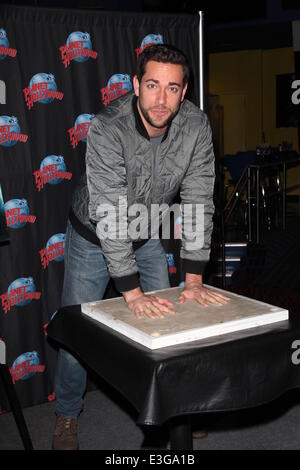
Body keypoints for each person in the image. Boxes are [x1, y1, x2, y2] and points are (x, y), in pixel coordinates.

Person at [52, 44, 229, 450]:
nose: (161, 99)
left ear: (184, 92)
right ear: (136, 84)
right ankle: (65, 414)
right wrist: (131, 292)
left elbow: (199, 200)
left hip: (147, 230)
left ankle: (181, 408)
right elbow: (111, 215)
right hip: (94, 235)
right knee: (78, 334)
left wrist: (194, 279)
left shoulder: (196, 127)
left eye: (172, 88)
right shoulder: (107, 127)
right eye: (152, 86)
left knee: (173, 326)